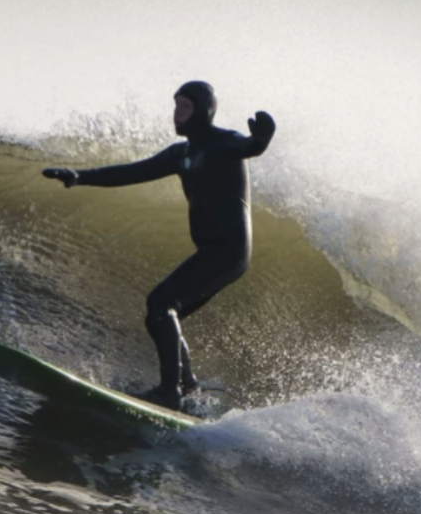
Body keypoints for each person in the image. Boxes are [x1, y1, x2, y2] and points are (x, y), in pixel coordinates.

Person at [42, 81, 275, 410]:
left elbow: (248, 146)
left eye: (185, 107)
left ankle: (170, 391)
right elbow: (131, 172)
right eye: (176, 105)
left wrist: (261, 139)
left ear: (204, 111)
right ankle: (187, 387)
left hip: (229, 250)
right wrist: (80, 176)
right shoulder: (180, 154)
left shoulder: (224, 143)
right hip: (212, 250)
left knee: (160, 303)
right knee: (160, 316)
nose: (177, 114)